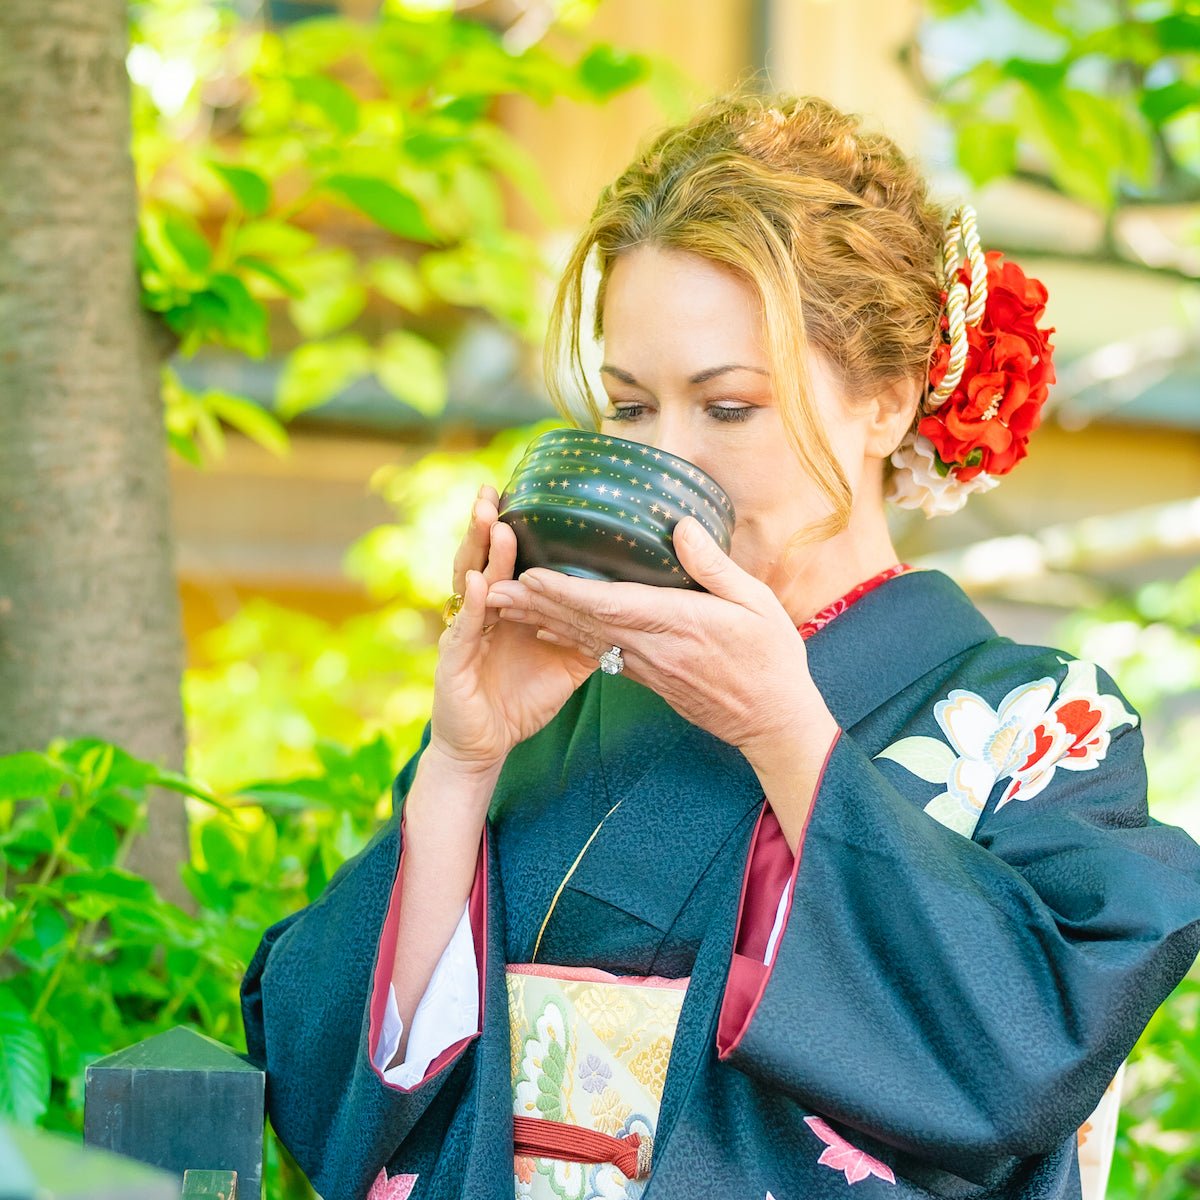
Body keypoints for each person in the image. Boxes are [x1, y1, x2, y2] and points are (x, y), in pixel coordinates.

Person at [240, 90, 1200, 1200]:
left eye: (729, 407)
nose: (670, 459)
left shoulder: (1037, 723)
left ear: (887, 402)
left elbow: (1027, 1063)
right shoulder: (562, 705)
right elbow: (322, 1094)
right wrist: (461, 765)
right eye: (632, 408)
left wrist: (787, 734)